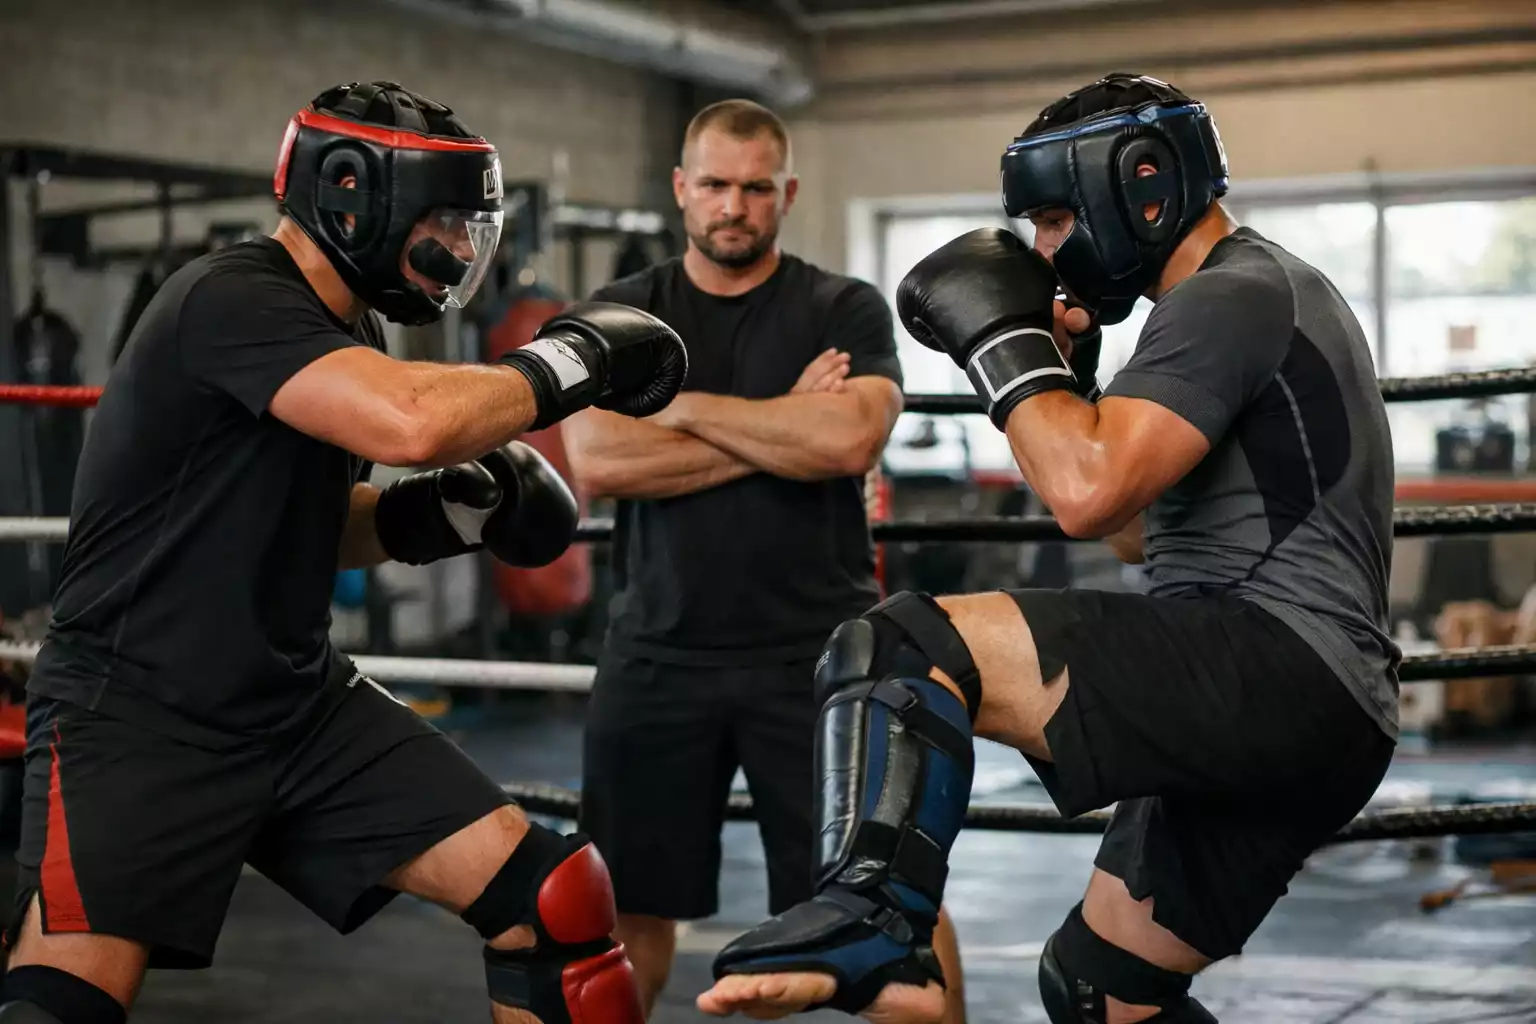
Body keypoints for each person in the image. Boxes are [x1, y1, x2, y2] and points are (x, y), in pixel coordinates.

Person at [695, 73, 1399, 1023]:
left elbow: (1082, 493)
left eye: (1058, 220)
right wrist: (1068, 378)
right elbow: (1131, 528)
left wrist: (1005, 347)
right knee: (1103, 987)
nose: (1046, 251)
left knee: (899, 645)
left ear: (1140, 184)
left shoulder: (1229, 294)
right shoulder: (1233, 299)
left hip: (1277, 669)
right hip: (1312, 709)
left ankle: (872, 914)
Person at [0, 81, 688, 1024]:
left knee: (555, 902)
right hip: (141, 711)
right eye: (440, 223)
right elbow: (411, 422)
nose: (453, 253)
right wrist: (576, 361)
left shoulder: (348, 326)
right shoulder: (231, 299)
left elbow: (318, 519)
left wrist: (443, 516)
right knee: (62, 1007)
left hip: (293, 706)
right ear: (356, 196)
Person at [562, 98, 968, 1021]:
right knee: (623, 914)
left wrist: (674, 407)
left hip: (818, 658)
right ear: (681, 189)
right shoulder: (623, 312)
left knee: (889, 901)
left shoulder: (842, 306)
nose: (733, 207)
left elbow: (848, 440)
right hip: (658, 655)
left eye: (754, 188)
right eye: (714, 185)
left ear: (785, 192)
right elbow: (598, 458)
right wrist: (784, 412)